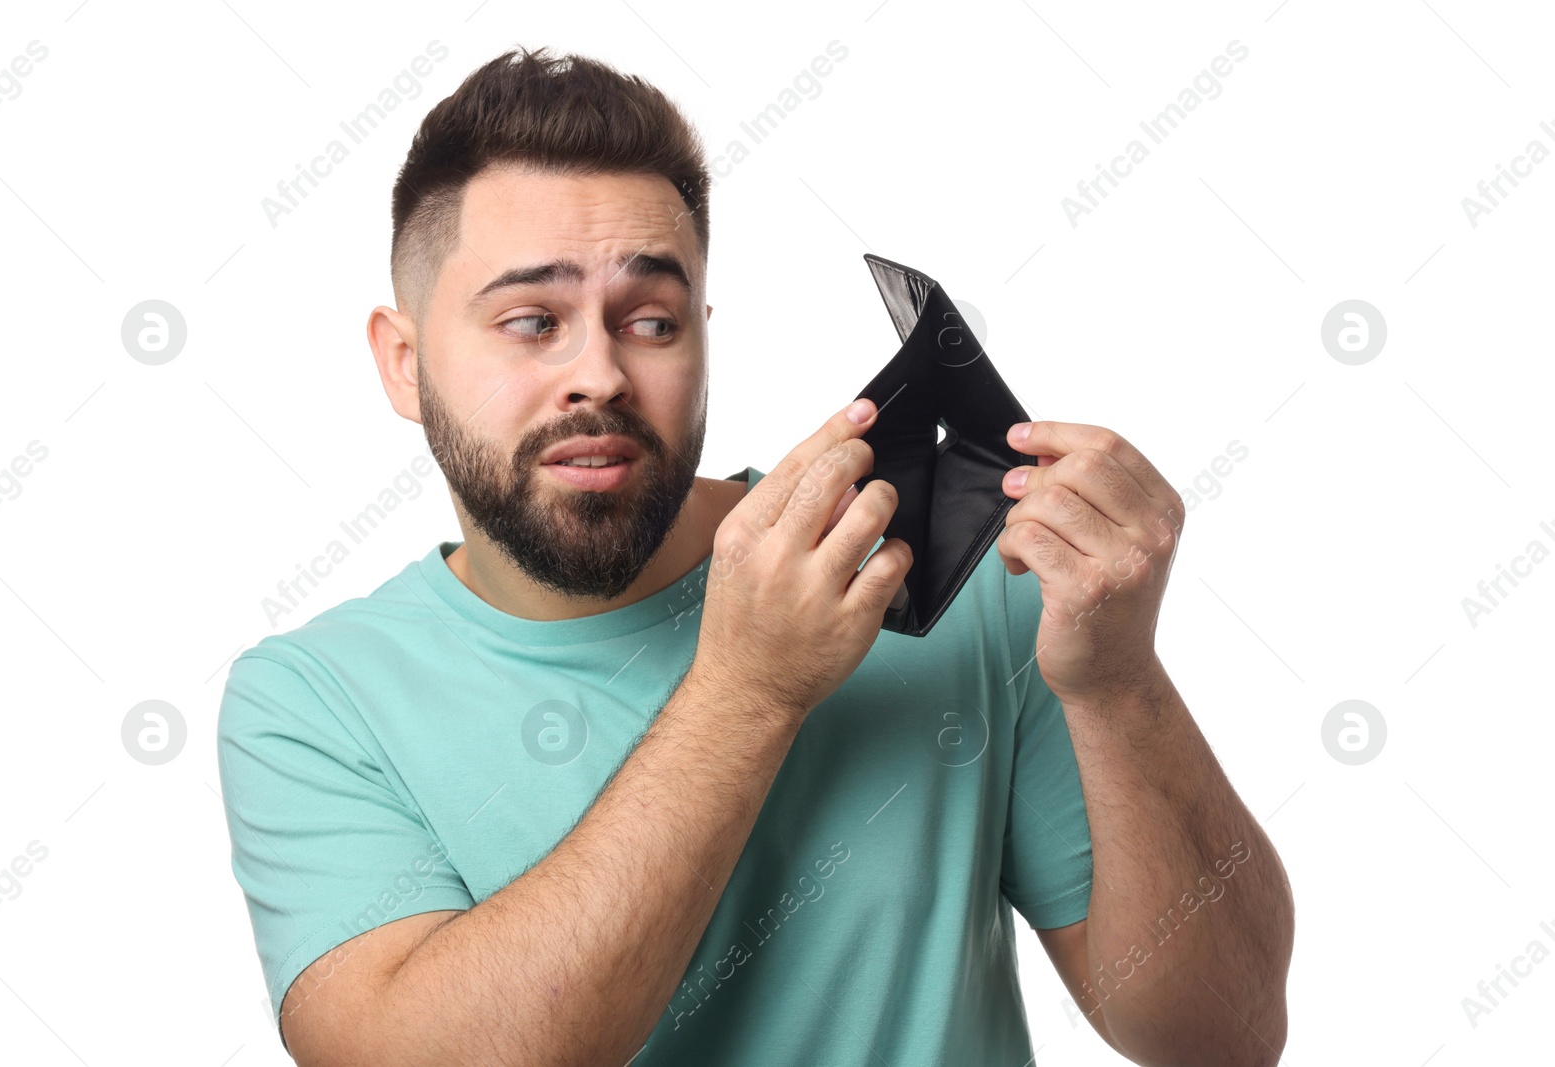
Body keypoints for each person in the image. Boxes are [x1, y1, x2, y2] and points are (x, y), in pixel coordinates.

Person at [217, 45, 1293, 1067]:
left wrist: (1117, 678)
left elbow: (1222, 1035)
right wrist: (748, 686)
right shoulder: (311, 702)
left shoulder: (938, 577)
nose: (597, 371)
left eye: (650, 319)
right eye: (531, 319)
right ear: (404, 364)